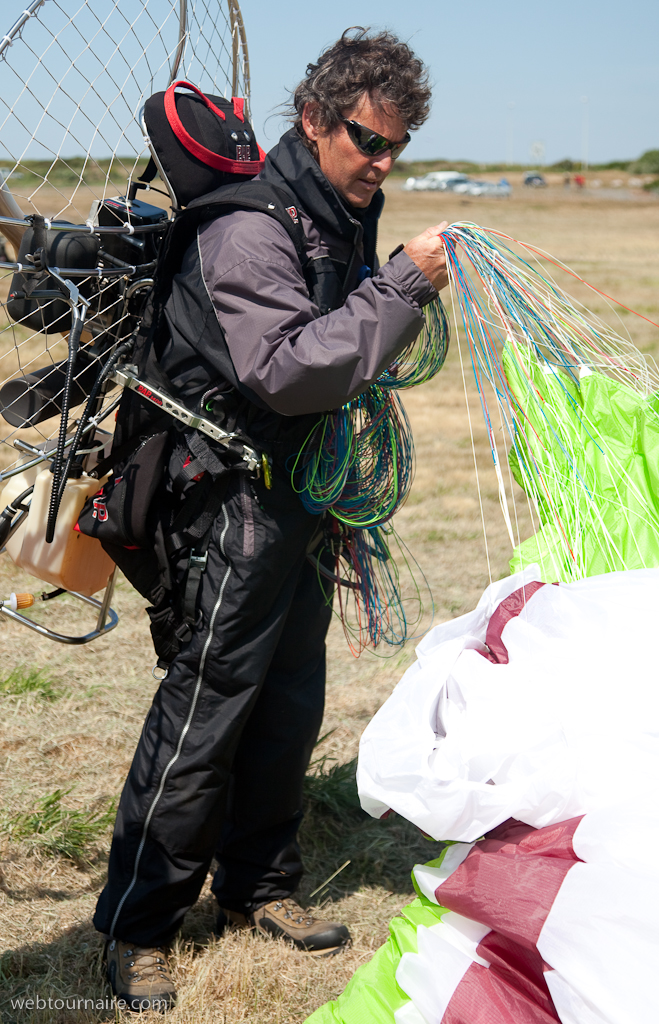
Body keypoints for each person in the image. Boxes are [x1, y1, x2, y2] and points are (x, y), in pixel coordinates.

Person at [94, 27, 449, 1012]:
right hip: (227, 502)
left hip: (294, 498)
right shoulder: (251, 226)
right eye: (364, 141)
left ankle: (259, 887)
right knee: (205, 710)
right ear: (311, 118)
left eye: (394, 148)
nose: (379, 163)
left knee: (288, 697)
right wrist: (402, 286)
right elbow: (286, 368)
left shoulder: (339, 206)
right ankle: (137, 926)